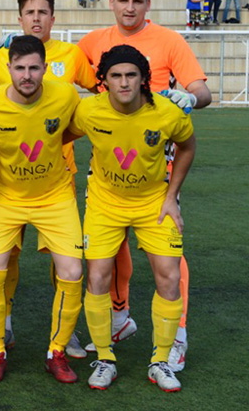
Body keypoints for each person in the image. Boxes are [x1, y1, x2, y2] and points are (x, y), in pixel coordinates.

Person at [77, 0, 211, 370]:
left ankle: (177, 335)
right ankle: (118, 319)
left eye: (137, 1)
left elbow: (201, 90)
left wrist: (188, 96)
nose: (129, 8)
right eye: (122, 1)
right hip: (107, 159)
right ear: (112, 3)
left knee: (167, 253)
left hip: (157, 163)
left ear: (147, 4)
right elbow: (58, 67)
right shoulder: (94, 41)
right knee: (108, 247)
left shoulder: (169, 41)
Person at [0, 0, 95, 359]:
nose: (37, 18)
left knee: (70, 269)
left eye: (43, 12)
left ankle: (61, 343)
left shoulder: (67, 77)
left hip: (56, 185)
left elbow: (91, 111)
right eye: (30, 12)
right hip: (6, 188)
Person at [66, 45, 196, 392]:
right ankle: (105, 359)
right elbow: (62, 135)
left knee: (168, 276)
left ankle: (161, 361)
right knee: (97, 276)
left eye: (131, 75)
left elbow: (188, 146)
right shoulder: (89, 110)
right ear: (104, 81)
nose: (124, 83)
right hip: (105, 203)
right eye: (116, 76)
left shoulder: (167, 113)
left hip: (154, 202)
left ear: (143, 80)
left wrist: (171, 197)